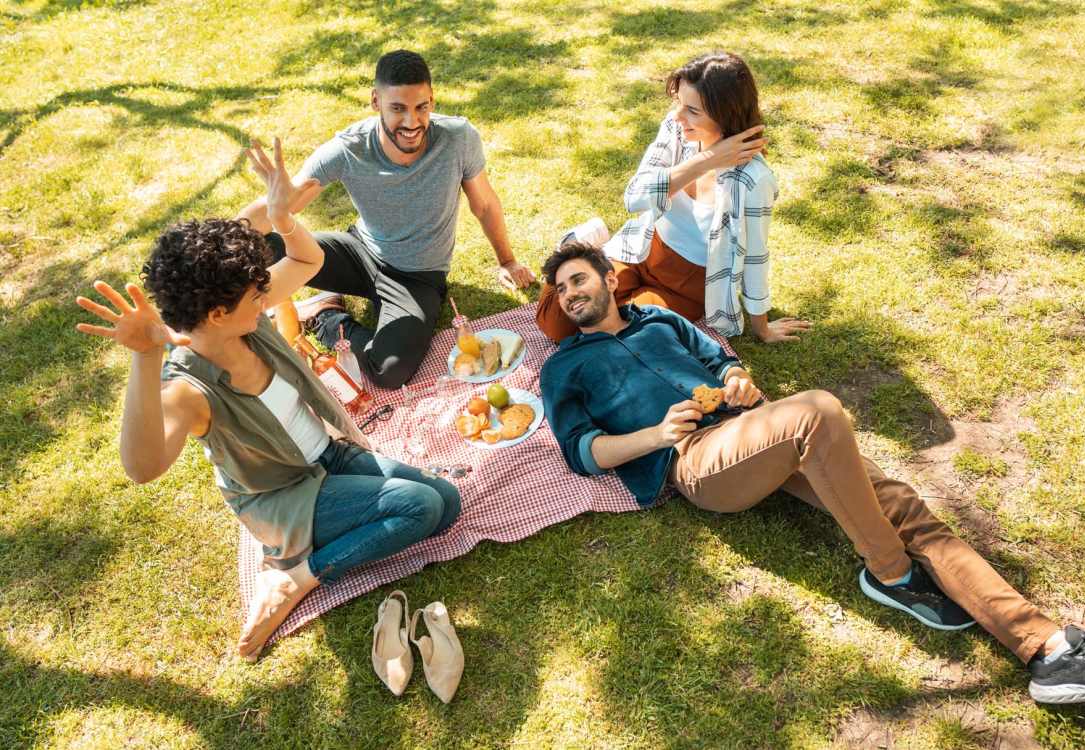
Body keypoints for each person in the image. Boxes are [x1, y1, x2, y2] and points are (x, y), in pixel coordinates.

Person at [537, 241, 1085, 704]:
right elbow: (582, 453)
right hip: (696, 464)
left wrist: (734, 378)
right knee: (816, 411)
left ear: (607, 278)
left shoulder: (659, 318)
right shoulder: (564, 368)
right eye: (562, 291)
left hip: (755, 429)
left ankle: (1050, 651)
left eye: (578, 279)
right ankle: (891, 574)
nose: (571, 295)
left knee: (903, 504)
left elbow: (722, 359)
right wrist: (654, 435)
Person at [75, 139, 461, 661]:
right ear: (214, 314)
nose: (267, 300)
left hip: (328, 454)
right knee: (418, 507)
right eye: (255, 296)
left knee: (447, 503)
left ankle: (309, 552)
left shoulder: (241, 317)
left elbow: (307, 256)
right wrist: (144, 356)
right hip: (283, 495)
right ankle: (297, 575)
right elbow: (141, 467)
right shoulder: (189, 388)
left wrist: (280, 216)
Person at [239, 49, 535, 388]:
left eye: (421, 107)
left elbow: (483, 204)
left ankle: (326, 316)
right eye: (398, 108)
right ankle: (308, 301)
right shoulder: (349, 148)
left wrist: (508, 260)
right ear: (375, 101)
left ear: (432, 100)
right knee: (257, 245)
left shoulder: (458, 139)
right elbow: (283, 204)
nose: (411, 122)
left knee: (389, 371)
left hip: (418, 277)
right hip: (360, 252)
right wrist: (215, 245)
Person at [536, 51, 809, 344]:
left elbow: (755, 257)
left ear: (725, 114)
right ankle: (574, 246)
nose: (678, 116)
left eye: (693, 110)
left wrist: (762, 327)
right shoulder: (677, 129)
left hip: (686, 285)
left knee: (621, 335)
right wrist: (707, 160)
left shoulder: (753, 179)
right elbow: (634, 196)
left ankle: (584, 256)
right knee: (557, 323)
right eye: (679, 102)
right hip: (641, 248)